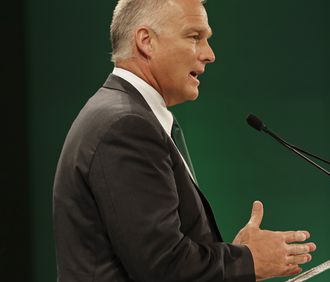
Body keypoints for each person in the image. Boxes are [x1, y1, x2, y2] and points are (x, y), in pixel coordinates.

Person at [53, 0, 316, 281]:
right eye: (195, 37)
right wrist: (249, 260)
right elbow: (164, 267)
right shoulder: (126, 126)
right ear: (146, 41)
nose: (210, 54)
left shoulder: (127, 115)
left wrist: (234, 254)